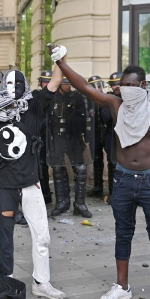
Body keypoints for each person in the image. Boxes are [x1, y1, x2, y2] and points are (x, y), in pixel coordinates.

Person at [53, 45, 150, 299]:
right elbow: (84, 87)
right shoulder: (116, 105)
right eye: (121, 85)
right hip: (124, 179)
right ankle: (122, 287)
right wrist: (62, 63)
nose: (124, 89)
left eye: (130, 85)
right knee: (122, 233)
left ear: (143, 85)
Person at [0, 61, 67, 299]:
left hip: (31, 184)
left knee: (42, 236)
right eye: (10, 83)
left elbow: (55, 83)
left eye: (19, 83)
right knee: (5, 238)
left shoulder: (33, 107)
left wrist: (60, 59)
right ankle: (6, 283)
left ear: (25, 84)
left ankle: (42, 282)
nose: (15, 87)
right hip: (5, 185)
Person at [47, 76, 92, 218]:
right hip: (57, 138)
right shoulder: (52, 98)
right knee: (58, 169)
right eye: (65, 84)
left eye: (69, 84)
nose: (68, 86)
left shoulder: (77, 97)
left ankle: (80, 203)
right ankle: (61, 202)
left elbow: (84, 117)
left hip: (74, 138)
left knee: (81, 168)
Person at [102, 72, 123, 202]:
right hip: (112, 135)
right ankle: (113, 195)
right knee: (113, 166)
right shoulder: (107, 99)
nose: (116, 86)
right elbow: (106, 117)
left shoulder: (130, 98)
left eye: (119, 84)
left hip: (128, 136)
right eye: (114, 84)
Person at [34, 70, 53, 204]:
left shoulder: (59, 96)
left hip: (56, 137)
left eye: (49, 81)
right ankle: (44, 195)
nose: (46, 84)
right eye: (44, 81)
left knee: (59, 169)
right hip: (41, 137)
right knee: (41, 166)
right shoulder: (36, 96)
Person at [88, 75, 107, 198]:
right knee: (96, 159)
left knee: (112, 160)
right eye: (94, 86)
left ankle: (112, 190)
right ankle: (97, 186)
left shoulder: (107, 98)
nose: (97, 88)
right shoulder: (87, 101)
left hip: (107, 132)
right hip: (94, 133)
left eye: (99, 86)